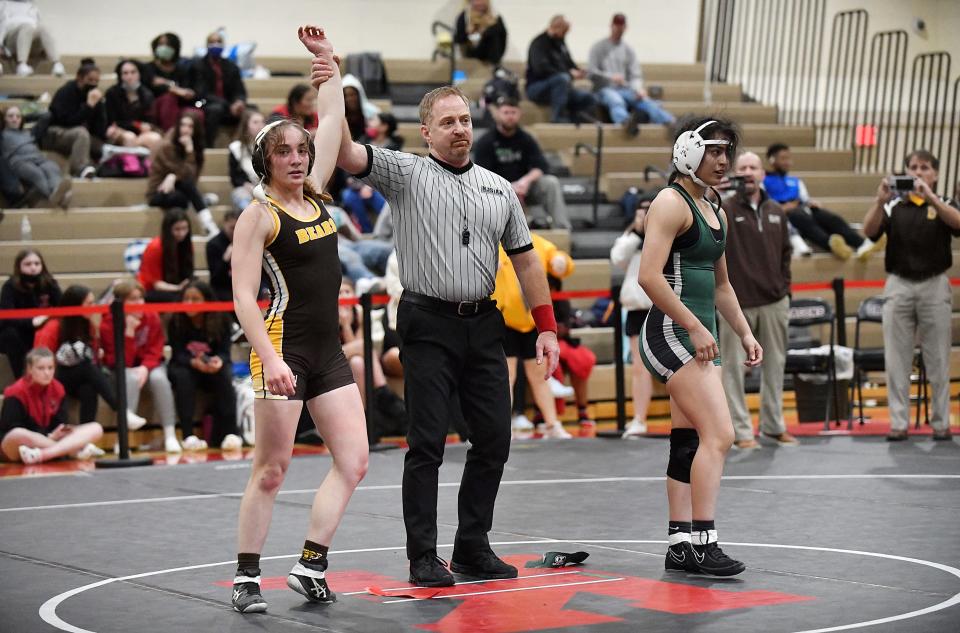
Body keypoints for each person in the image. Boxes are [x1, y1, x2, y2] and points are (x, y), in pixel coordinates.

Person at [313, 39, 560, 584]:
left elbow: (526, 265)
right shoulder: (405, 174)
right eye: (447, 122)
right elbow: (349, 155)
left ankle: (472, 545)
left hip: (484, 323)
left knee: (495, 437)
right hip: (428, 322)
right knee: (427, 441)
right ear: (427, 132)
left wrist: (547, 329)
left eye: (465, 119)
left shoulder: (499, 189)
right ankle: (423, 553)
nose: (459, 129)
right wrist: (333, 80)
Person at [230, 25, 368, 614]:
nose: (296, 158)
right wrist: (270, 359)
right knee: (271, 470)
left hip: (329, 351)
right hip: (284, 349)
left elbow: (332, 121)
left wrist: (327, 65)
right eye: (283, 152)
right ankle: (244, 578)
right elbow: (243, 300)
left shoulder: (315, 194)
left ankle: (311, 563)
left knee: (355, 460)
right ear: (265, 161)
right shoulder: (257, 216)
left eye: (301, 150)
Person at [637, 117, 762, 577]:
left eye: (727, 150)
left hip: (693, 332)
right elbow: (648, 277)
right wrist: (693, 326)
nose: (724, 160)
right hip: (671, 331)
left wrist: (745, 332)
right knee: (722, 435)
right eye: (713, 150)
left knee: (689, 439)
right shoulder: (670, 204)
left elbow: (723, 285)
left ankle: (680, 544)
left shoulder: (713, 207)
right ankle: (705, 541)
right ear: (688, 151)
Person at [862, 150, 960, 442]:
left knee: (938, 358)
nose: (918, 172)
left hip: (934, 283)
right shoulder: (893, 205)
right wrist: (879, 200)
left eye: (925, 168)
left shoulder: (943, 203)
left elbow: (957, 223)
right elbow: (869, 232)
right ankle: (899, 423)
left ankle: (941, 423)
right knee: (896, 359)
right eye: (912, 168)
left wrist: (930, 196)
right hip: (899, 284)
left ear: (936, 174)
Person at [718, 152, 797, 449]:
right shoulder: (723, 209)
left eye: (753, 167)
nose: (748, 172)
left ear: (763, 173)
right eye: (743, 168)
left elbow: (786, 254)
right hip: (737, 303)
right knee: (733, 368)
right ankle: (740, 431)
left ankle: (774, 426)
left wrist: (784, 288)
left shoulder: (776, 210)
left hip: (775, 301)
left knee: (776, 364)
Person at [492, 233, 573, 439]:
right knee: (506, 377)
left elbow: (560, 261)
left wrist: (561, 262)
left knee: (540, 376)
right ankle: (503, 427)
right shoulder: (492, 244)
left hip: (532, 322)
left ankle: (552, 424)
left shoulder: (535, 241)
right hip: (504, 321)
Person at [34, 285, 147, 430]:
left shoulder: (89, 326)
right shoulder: (54, 326)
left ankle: (85, 440)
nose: (93, 307)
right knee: (87, 367)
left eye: (94, 302)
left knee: (88, 388)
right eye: (89, 303)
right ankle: (122, 411)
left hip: (77, 377)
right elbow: (39, 358)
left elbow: (94, 356)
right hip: (53, 376)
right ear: (75, 305)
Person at [100, 279, 180, 453]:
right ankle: (122, 439)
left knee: (160, 379)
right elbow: (120, 360)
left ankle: (170, 434)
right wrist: (128, 332)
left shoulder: (151, 316)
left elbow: (156, 349)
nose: (139, 303)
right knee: (129, 378)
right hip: (121, 368)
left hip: (149, 365)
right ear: (120, 302)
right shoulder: (108, 322)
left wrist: (145, 367)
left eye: (140, 298)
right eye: (133, 299)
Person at [764, 143, 881, 261]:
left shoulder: (795, 181)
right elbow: (763, 204)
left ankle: (863, 245)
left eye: (789, 158)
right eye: (783, 158)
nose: (787, 162)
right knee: (799, 216)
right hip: (785, 214)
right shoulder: (765, 180)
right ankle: (831, 244)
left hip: (801, 209)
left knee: (829, 217)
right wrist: (784, 207)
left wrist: (811, 203)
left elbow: (805, 199)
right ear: (772, 160)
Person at [473, 96, 571, 229]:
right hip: (496, 191)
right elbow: (481, 176)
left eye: (513, 113)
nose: (510, 117)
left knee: (551, 183)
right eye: (506, 113)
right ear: (498, 114)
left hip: (525, 189)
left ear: (519, 114)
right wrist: (508, 188)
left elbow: (540, 167)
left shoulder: (526, 139)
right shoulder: (486, 141)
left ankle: (562, 231)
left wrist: (525, 182)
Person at [167, 281, 243, 451]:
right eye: (186, 298)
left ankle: (231, 433)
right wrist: (193, 362)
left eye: (195, 299)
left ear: (206, 300)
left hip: (211, 367)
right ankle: (188, 435)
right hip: (185, 365)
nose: (189, 303)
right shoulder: (176, 320)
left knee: (224, 374)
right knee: (183, 377)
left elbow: (224, 351)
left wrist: (218, 361)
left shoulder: (221, 319)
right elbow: (178, 353)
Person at [1, 347, 103, 464]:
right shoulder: (15, 392)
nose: (47, 373)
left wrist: (61, 432)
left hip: (47, 442)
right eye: (41, 368)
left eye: (50, 368)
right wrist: (49, 436)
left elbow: (60, 423)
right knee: (18, 434)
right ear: (30, 369)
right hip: (18, 445)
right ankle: (73, 450)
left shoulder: (58, 389)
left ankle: (42, 455)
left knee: (96, 428)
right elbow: (10, 429)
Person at [610, 190, 656, 438]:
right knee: (640, 367)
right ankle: (639, 418)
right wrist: (638, 232)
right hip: (639, 308)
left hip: (666, 307)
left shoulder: (669, 232)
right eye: (643, 208)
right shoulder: (630, 235)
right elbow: (617, 258)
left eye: (652, 207)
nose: (647, 212)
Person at [588, 13, 675, 130]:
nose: (618, 29)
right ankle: (625, 121)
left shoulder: (628, 50)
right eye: (616, 26)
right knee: (615, 100)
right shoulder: (598, 47)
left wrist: (638, 89)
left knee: (646, 101)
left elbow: (635, 75)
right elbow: (591, 72)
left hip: (625, 89)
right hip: (604, 89)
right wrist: (610, 77)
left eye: (621, 26)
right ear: (611, 26)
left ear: (625, 28)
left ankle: (670, 122)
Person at [337, 278, 407, 422]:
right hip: (332, 359)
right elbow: (356, 347)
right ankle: (384, 393)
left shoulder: (359, 313)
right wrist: (343, 324)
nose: (344, 296)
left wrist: (347, 326)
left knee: (357, 362)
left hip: (352, 358)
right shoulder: (328, 315)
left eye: (347, 292)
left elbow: (356, 351)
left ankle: (367, 418)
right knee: (364, 347)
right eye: (340, 293)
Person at [146, 112, 219, 235]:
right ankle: (208, 224)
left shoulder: (195, 146)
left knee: (184, 192)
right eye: (183, 125)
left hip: (181, 188)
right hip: (160, 192)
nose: (186, 129)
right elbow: (186, 175)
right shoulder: (167, 146)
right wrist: (189, 153)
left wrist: (174, 176)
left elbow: (192, 176)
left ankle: (198, 203)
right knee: (183, 194)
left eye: (190, 126)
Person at [0, 249, 61, 378]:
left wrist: (45, 318)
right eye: (28, 264)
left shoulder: (50, 283)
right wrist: (31, 322)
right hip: (18, 331)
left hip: (43, 327)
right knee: (9, 334)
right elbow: (6, 317)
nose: (33, 268)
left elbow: (62, 307)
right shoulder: (10, 286)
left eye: (37, 263)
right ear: (19, 267)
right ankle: (24, 378)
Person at [525, 15, 596, 124]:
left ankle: (576, 122)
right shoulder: (538, 43)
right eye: (563, 32)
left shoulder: (560, 43)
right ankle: (557, 118)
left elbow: (568, 62)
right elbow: (541, 69)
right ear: (555, 27)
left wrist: (578, 70)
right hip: (537, 87)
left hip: (561, 89)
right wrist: (569, 74)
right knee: (562, 79)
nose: (564, 35)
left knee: (588, 98)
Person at [43, 59, 105, 178]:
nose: (93, 84)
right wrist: (88, 106)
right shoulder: (66, 92)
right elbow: (67, 121)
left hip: (80, 134)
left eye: (96, 81)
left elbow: (100, 130)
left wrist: (100, 106)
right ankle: (80, 169)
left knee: (102, 144)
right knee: (81, 133)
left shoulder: (94, 96)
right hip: (55, 132)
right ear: (79, 78)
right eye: (90, 80)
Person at [1, 105, 71, 208]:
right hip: (20, 161)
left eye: (18, 116)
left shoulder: (28, 133)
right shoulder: (2, 134)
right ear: (5, 119)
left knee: (52, 167)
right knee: (37, 174)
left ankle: (57, 192)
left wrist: (25, 117)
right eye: (10, 116)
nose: (14, 119)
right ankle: (57, 197)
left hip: (38, 158)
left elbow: (47, 116)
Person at [187, 30, 247, 147]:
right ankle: (209, 146)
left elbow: (239, 90)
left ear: (223, 45)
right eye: (212, 42)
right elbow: (201, 92)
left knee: (251, 112)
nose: (215, 45)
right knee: (216, 109)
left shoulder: (231, 66)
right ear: (206, 45)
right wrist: (228, 105)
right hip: (206, 104)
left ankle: (244, 147)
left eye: (219, 42)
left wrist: (239, 102)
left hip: (229, 106)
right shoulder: (197, 65)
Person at [104, 59, 163, 153]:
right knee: (129, 137)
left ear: (139, 74)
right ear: (120, 76)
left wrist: (147, 126)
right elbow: (112, 121)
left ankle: (150, 167)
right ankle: (131, 166)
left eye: (133, 72)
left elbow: (151, 120)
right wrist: (135, 125)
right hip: (119, 130)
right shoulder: (112, 93)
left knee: (155, 138)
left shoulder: (147, 94)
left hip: (140, 132)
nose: (129, 76)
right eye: (125, 73)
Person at [137, 210, 195, 303]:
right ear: (168, 229)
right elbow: (156, 284)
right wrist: (178, 288)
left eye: (185, 228)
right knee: (178, 299)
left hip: (175, 287)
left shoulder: (188, 245)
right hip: (150, 290)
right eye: (177, 229)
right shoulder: (155, 247)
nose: (182, 233)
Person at [143, 32, 196, 132]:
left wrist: (166, 84)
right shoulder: (148, 68)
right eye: (160, 44)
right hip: (156, 105)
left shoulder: (183, 68)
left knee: (196, 113)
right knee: (168, 99)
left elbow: (187, 92)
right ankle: (170, 136)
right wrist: (174, 89)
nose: (163, 48)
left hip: (181, 104)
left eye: (167, 45)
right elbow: (152, 86)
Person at [0, 0, 64, 77]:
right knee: (27, 28)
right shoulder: (3, 4)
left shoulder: (31, 6)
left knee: (44, 29)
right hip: (12, 38)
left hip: (31, 37)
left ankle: (57, 64)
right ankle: (22, 64)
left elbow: (38, 23)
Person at [453, 0, 507, 66]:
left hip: (492, 52)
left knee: (494, 30)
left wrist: (484, 31)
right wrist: (470, 33)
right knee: (492, 31)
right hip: (474, 50)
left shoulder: (495, 17)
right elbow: (460, 39)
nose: (480, 2)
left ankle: (495, 65)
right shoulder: (465, 17)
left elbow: (503, 37)